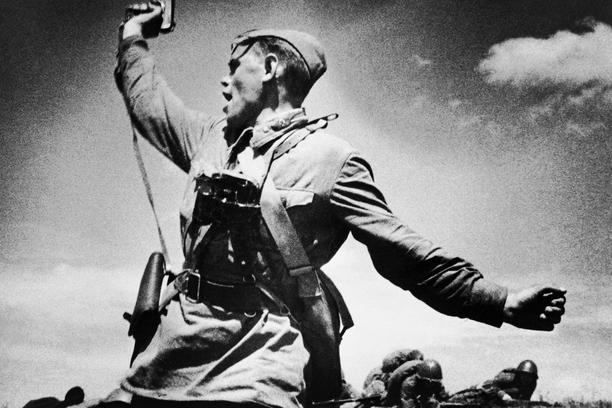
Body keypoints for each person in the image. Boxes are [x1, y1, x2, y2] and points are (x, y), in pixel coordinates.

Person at [112, 2, 566, 407]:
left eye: (235, 67)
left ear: (269, 68)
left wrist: (499, 302)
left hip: (254, 366)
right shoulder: (210, 139)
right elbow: (148, 100)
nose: (224, 81)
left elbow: (404, 254)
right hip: (168, 355)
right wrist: (134, 35)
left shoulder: (332, 161)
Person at [447, 360, 539, 404]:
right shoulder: (509, 376)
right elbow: (491, 385)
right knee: (458, 400)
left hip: (498, 402)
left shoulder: (532, 384)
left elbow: (525, 400)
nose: (527, 379)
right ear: (519, 374)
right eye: (524, 375)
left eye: (530, 377)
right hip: (483, 392)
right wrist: (503, 394)